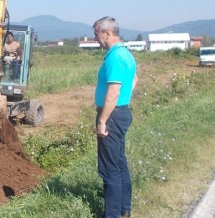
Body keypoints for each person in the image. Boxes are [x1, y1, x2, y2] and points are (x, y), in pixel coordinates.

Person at [92, 17, 138, 218]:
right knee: (119, 163)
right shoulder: (126, 54)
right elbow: (134, 78)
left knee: (109, 169)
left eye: (96, 34)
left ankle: (112, 215)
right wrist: (125, 99)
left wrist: (103, 120)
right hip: (121, 112)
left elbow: (113, 92)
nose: (96, 39)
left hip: (112, 116)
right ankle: (123, 208)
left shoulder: (115, 57)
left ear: (107, 33)